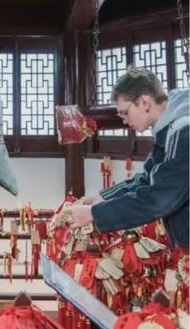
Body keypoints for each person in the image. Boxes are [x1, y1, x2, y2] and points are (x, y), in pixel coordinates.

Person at [68, 67, 189, 247]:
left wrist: (95, 214)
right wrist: (102, 197)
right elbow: (146, 180)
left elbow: (159, 199)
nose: (124, 120)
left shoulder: (184, 131)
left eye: (125, 112)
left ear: (145, 102)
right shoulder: (167, 128)